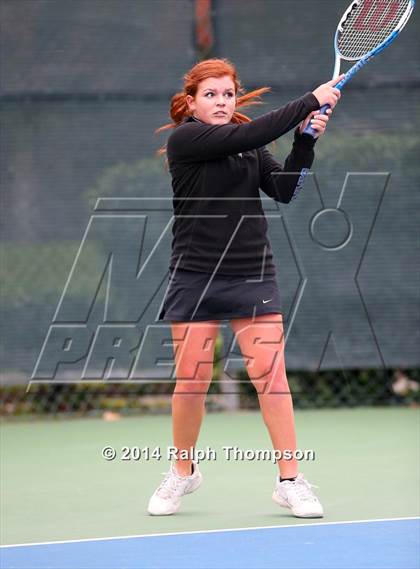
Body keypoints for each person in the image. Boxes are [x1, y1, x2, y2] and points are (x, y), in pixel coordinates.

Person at [148, 58, 342, 518]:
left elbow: (284, 189)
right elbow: (249, 133)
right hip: (195, 275)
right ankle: (183, 472)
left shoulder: (248, 147)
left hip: (252, 273)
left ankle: (290, 481)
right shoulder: (187, 139)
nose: (221, 102)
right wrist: (310, 100)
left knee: (271, 379)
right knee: (192, 383)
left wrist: (305, 142)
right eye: (211, 94)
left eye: (228, 94)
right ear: (192, 103)